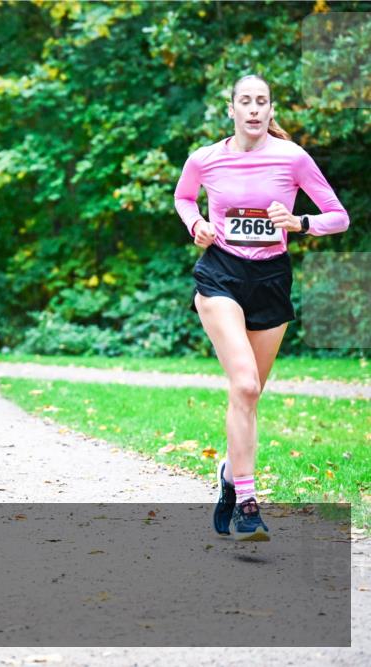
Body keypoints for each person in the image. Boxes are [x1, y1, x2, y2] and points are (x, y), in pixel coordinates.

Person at [174, 73, 349, 541]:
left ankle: (230, 475)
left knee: (249, 397)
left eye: (262, 102)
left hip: (271, 280)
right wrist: (196, 225)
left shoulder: (292, 157)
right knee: (246, 384)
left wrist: (299, 222)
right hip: (221, 274)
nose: (254, 109)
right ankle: (248, 506)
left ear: (271, 110)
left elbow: (339, 216)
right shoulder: (205, 159)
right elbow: (184, 197)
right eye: (245, 101)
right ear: (230, 109)